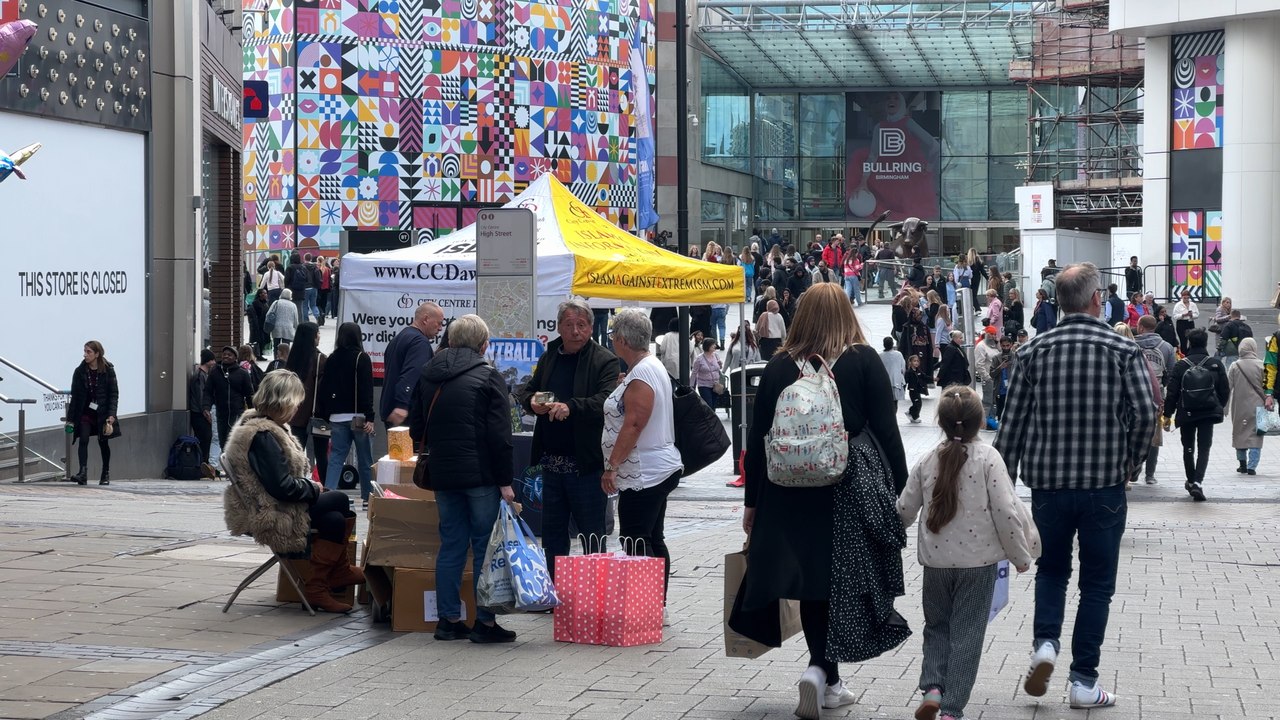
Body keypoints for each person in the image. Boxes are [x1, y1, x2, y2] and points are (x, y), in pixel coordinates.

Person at [740, 283, 910, 720]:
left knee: (811, 583)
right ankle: (822, 670)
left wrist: (752, 503)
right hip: (844, 488)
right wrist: (902, 489)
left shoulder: (779, 366)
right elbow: (887, 431)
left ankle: (825, 675)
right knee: (839, 580)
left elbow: (757, 439)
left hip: (785, 491)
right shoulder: (862, 360)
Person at [994, 262, 1156, 710]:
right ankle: (1083, 681)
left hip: (1047, 487)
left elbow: (1011, 428)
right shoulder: (1121, 350)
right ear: (1095, 299)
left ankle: (1045, 644)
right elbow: (1145, 413)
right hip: (1104, 486)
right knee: (1097, 584)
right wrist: (1129, 463)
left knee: (1051, 572)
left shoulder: (1032, 352)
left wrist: (1002, 490)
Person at [898, 385, 1039, 720]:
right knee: (968, 634)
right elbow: (1006, 511)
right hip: (978, 564)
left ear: (942, 423)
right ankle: (951, 709)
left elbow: (904, 509)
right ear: (978, 424)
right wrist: (1020, 556)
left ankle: (932, 688)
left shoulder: (927, 459)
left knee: (937, 627)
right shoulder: (989, 458)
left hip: (935, 564)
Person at [408, 314, 518, 642]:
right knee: (484, 545)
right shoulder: (489, 377)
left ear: (451, 341)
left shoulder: (429, 375)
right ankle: (484, 622)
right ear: (484, 345)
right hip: (481, 476)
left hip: (442, 473)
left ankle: (448, 620)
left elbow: (415, 427)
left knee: (452, 543)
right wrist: (505, 480)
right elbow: (500, 436)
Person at [222, 370, 364, 614]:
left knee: (334, 519)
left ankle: (321, 585)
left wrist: (312, 488)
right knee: (339, 499)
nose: (298, 409)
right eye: (296, 403)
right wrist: (312, 487)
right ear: (282, 402)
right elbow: (281, 487)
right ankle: (329, 579)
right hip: (272, 510)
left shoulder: (266, 428)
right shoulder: (263, 435)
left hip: (278, 502)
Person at [517, 298, 620, 578]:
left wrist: (571, 406)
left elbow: (605, 401)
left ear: (590, 327)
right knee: (552, 534)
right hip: (552, 463)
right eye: (569, 325)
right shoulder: (549, 355)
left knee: (592, 532)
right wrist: (533, 402)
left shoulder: (605, 360)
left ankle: (595, 591)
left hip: (586, 464)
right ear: (559, 327)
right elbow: (528, 391)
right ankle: (555, 590)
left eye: (581, 325)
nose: (575, 331)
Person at [600, 308, 684, 603]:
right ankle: (654, 605)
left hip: (645, 470)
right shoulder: (647, 367)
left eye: (612, 335)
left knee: (635, 538)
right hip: (656, 466)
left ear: (622, 339)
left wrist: (612, 466)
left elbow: (634, 423)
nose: (611, 340)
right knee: (651, 536)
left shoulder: (643, 372)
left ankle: (645, 605)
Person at [1162, 328, 1229, 501]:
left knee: (1188, 447)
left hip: (1187, 412)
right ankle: (1198, 482)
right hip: (1208, 413)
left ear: (1190, 343)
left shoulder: (1181, 365)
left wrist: (1167, 414)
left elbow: (1172, 392)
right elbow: (1225, 390)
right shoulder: (1215, 363)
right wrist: (1217, 406)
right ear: (1206, 343)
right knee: (1204, 447)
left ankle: (1191, 480)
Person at [319, 323, 375, 506]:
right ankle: (368, 497)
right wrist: (370, 417)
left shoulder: (332, 358)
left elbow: (325, 387)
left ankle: (328, 493)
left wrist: (326, 414)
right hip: (358, 416)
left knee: (336, 457)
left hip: (336, 417)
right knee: (365, 458)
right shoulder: (362, 358)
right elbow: (366, 389)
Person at [380, 302, 444, 427]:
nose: (441, 328)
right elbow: (411, 373)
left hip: (391, 411)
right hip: (405, 415)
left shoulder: (399, 338)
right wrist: (402, 405)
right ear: (426, 319)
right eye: (439, 323)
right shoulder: (420, 343)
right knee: (406, 447)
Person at [67, 340, 120, 486]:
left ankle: (105, 473)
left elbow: (113, 394)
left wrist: (112, 414)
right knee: (83, 439)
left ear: (97, 354)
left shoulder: (108, 370)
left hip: (102, 413)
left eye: (89, 352)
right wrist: (70, 419)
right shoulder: (79, 371)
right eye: (84, 351)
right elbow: (75, 397)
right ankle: (82, 473)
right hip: (85, 412)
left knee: (103, 442)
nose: (85, 355)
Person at [283, 322, 327, 482]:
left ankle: (296, 484)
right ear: (313, 337)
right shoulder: (320, 359)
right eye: (318, 333)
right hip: (319, 414)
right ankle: (324, 486)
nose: (319, 336)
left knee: (296, 453)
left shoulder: (292, 361)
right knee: (321, 454)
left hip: (294, 414)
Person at [1135, 314, 1177, 484]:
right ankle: (1150, 474)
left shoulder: (1132, 344)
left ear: (1140, 328)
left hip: (1136, 394)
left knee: (1134, 432)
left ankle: (1134, 470)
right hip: (1157, 395)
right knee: (1154, 435)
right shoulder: (1166, 347)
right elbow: (1172, 372)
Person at [1227, 337, 1265, 476]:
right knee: (1256, 435)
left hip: (1239, 406)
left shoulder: (1235, 366)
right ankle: (1252, 466)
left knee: (1240, 433)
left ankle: (1242, 464)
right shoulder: (1262, 365)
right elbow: (1267, 387)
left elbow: (1228, 388)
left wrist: (1224, 408)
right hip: (1259, 406)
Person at [209, 345, 255, 451]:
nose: (226, 356)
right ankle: (220, 463)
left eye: (229, 355)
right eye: (224, 354)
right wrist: (206, 406)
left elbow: (249, 394)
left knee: (233, 440)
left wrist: (253, 411)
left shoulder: (243, 373)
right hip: (220, 412)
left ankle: (230, 462)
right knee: (220, 439)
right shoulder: (215, 372)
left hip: (236, 412)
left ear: (235, 357)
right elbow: (208, 391)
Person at [188, 349, 216, 467]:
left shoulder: (203, 374)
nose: (214, 362)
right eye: (212, 360)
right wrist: (206, 412)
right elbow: (201, 397)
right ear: (208, 361)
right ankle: (202, 464)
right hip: (199, 414)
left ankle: (203, 464)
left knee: (205, 439)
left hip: (199, 413)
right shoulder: (200, 376)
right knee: (205, 439)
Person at [974, 326, 1002, 427]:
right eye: (991, 334)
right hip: (989, 378)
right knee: (987, 401)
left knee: (994, 400)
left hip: (997, 377)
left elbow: (1000, 354)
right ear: (986, 334)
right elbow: (979, 364)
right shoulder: (981, 346)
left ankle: (991, 420)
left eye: (995, 334)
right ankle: (983, 422)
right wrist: (986, 377)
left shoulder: (994, 345)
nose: (993, 336)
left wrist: (998, 343)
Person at [692, 337, 723, 408]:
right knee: (709, 405)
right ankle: (709, 419)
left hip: (716, 385)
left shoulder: (716, 355)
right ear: (708, 346)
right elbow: (694, 373)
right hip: (704, 385)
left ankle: (711, 418)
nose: (715, 346)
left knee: (714, 405)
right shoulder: (699, 359)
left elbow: (719, 368)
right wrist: (691, 386)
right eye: (713, 345)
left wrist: (720, 364)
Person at [267, 288, 300, 352]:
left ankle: (276, 358)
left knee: (276, 345)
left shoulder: (276, 302)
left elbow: (269, 314)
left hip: (277, 327)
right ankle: (284, 359)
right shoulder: (293, 305)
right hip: (288, 328)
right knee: (286, 347)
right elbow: (295, 319)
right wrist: (296, 328)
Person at [879, 336, 906, 412]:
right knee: (895, 403)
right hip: (896, 381)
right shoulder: (898, 354)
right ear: (892, 344)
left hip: (885, 382)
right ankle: (893, 417)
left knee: (885, 402)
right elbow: (903, 368)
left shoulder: (880, 355)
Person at [1170, 289, 1199, 355]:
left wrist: (1192, 315)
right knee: (1183, 341)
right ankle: (1183, 355)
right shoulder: (1178, 305)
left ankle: (1191, 354)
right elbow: (1175, 316)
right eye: (1184, 298)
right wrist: (1183, 315)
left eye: (1187, 298)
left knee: (1192, 339)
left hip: (1190, 322)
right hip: (1181, 323)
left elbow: (1197, 314)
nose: (1186, 299)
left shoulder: (1193, 304)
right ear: (1182, 297)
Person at [905, 354, 929, 423]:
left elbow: (924, 376)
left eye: (917, 361)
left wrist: (933, 379)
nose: (916, 363)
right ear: (910, 362)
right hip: (912, 391)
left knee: (918, 403)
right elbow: (905, 380)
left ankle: (912, 414)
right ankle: (913, 415)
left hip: (917, 390)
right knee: (917, 404)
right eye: (914, 361)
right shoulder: (909, 372)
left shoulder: (918, 371)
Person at [247, 289, 271, 360]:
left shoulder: (265, 303)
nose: (266, 295)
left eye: (266, 293)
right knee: (258, 340)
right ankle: (257, 354)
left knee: (263, 340)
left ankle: (260, 353)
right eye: (264, 293)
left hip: (263, 325)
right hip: (258, 326)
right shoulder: (256, 303)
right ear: (260, 294)